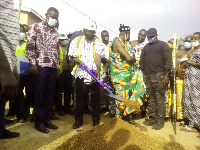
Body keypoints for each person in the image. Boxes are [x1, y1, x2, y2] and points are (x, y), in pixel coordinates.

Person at [26, 7, 60, 133]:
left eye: (56, 18)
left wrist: (57, 66)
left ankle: (46, 119)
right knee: (40, 93)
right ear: (46, 15)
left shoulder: (55, 32)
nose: (54, 20)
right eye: (52, 17)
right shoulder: (35, 27)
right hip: (40, 65)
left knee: (50, 94)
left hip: (52, 67)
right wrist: (33, 64)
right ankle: (39, 122)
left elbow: (57, 50)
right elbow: (30, 46)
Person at [68, 22, 105, 129]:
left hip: (94, 74)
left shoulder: (98, 42)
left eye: (93, 32)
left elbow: (98, 55)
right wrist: (79, 61)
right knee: (80, 99)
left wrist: (97, 69)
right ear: (84, 31)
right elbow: (72, 56)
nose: (91, 34)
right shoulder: (76, 40)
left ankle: (96, 121)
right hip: (81, 73)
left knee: (95, 99)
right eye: (89, 32)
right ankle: (78, 120)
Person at [109, 24, 145, 119]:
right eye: (129, 33)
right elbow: (128, 58)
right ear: (126, 33)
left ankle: (127, 118)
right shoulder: (118, 43)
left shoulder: (125, 43)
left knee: (129, 97)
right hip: (120, 77)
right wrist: (135, 59)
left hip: (127, 76)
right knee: (122, 99)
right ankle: (119, 120)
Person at [140, 28, 172, 130]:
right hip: (148, 76)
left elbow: (168, 61)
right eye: (148, 37)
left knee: (159, 99)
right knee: (151, 98)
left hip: (160, 75)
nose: (149, 38)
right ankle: (152, 118)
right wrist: (144, 73)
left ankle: (160, 120)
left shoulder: (163, 45)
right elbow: (142, 61)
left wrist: (167, 75)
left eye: (151, 36)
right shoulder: (145, 47)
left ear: (156, 35)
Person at [0, 0, 20, 139]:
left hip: (6, 59)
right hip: (1, 63)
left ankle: (0, 129)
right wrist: (4, 69)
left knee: (1, 98)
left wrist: (12, 67)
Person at [182, 32, 200, 132]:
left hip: (197, 79)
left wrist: (189, 61)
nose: (193, 40)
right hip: (189, 78)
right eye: (192, 38)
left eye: (195, 38)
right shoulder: (192, 51)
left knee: (197, 101)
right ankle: (192, 123)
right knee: (188, 100)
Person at [55, 33, 74, 116]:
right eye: (61, 40)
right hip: (60, 72)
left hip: (69, 72)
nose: (63, 41)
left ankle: (67, 108)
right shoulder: (57, 48)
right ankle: (59, 108)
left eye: (64, 40)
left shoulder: (70, 48)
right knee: (59, 91)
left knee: (68, 91)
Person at [100, 30, 110, 112]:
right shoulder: (99, 44)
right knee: (101, 90)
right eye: (103, 35)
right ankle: (101, 106)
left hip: (111, 71)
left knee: (110, 89)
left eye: (106, 35)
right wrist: (106, 61)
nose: (105, 37)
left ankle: (109, 106)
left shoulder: (111, 45)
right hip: (102, 71)